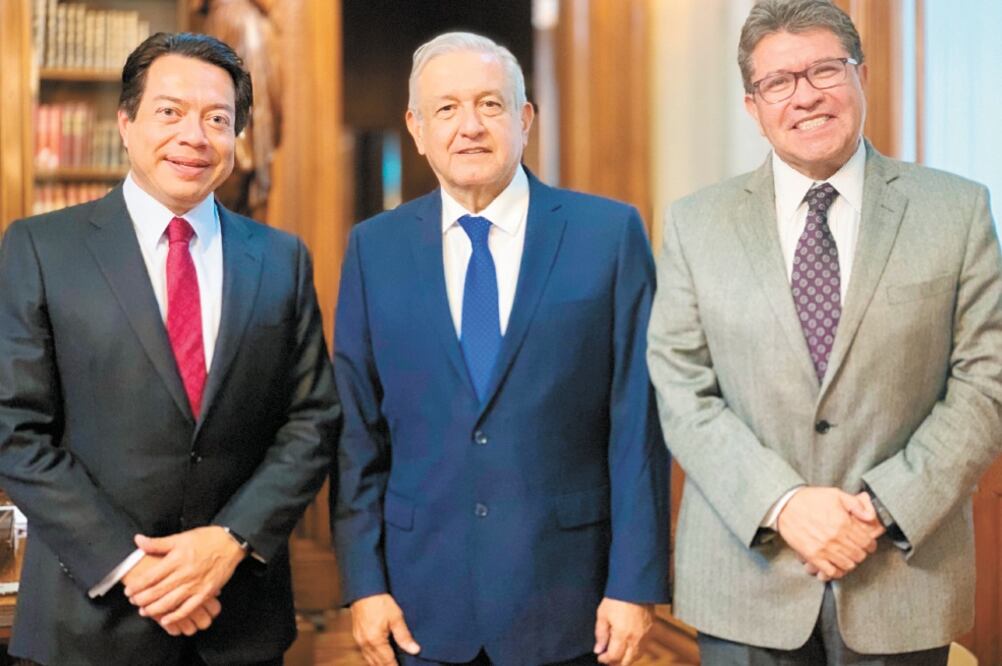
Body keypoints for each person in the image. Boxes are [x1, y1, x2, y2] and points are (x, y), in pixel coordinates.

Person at [647, 1, 1002, 664]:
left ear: (861, 76)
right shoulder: (697, 224)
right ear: (753, 105)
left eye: (823, 71)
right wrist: (783, 504)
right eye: (778, 82)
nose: (804, 96)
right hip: (745, 581)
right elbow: (681, 388)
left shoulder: (957, 210)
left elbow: (988, 379)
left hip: (902, 574)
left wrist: (880, 508)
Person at [0, 32, 340, 666]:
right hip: (86, 620)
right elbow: (14, 429)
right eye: (170, 112)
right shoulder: (43, 250)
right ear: (125, 123)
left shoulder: (280, 259)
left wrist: (229, 541)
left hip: (240, 617)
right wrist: (135, 568)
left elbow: (313, 420)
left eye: (218, 119)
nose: (195, 135)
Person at [332, 31, 669, 666]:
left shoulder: (609, 234)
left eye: (490, 104)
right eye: (447, 108)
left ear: (525, 119)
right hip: (418, 602)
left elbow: (636, 422)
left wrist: (634, 584)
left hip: (571, 600)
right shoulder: (373, 250)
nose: (470, 126)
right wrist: (364, 584)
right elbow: (356, 432)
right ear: (417, 127)